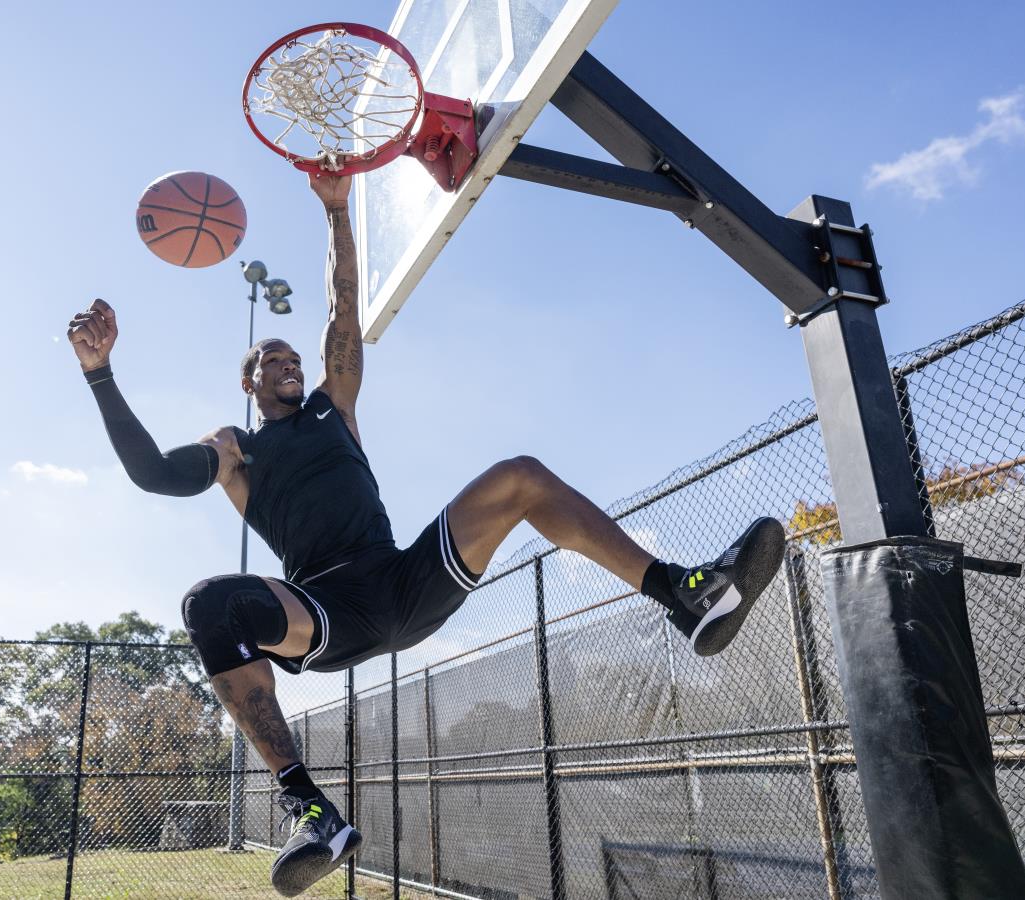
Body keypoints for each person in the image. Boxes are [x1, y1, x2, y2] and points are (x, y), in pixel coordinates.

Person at [69, 173, 785, 897]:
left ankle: (684, 593)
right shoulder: (236, 453)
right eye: (271, 360)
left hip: (404, 580)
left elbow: (345, 305)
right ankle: (309, 809)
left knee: (521, 476)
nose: (287, 365)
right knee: (208, 604)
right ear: (249, 382)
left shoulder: (334, 405)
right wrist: (101, 374)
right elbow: (156, 475)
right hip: (324, 611)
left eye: (293, 359)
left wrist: (337, 207)